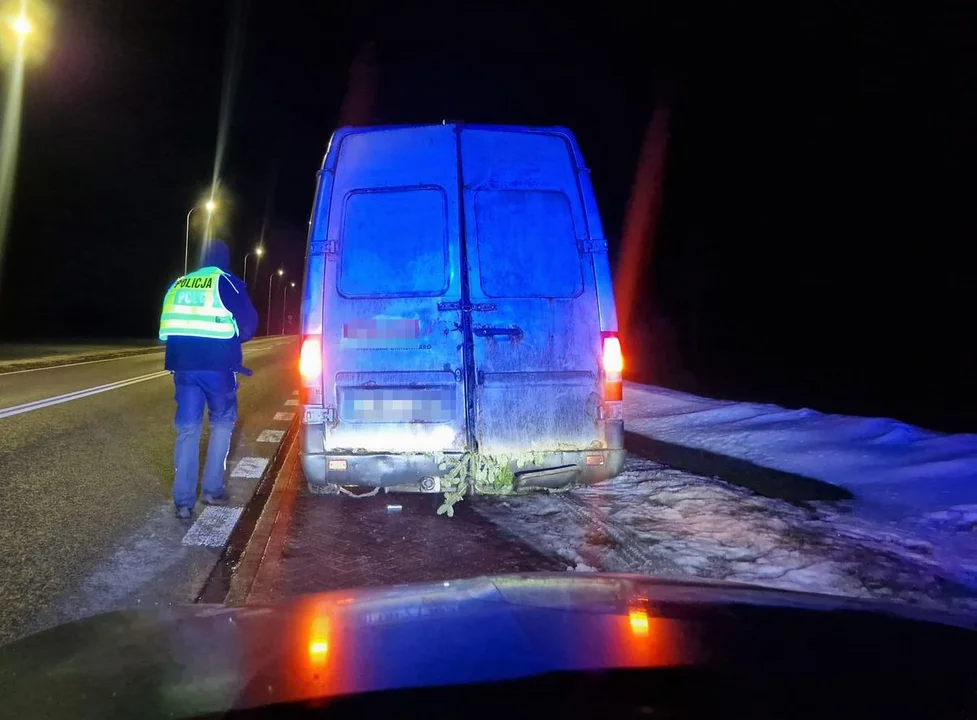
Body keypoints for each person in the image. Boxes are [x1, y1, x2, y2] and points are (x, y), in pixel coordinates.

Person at [159, 239, 258, 519]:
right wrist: (231, 340)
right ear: (224, 260)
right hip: (217, 367)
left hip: (183, 368)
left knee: (188, 428)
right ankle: (212, 490)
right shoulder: (226, 283)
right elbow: (249, 325)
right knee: (223, 423)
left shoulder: (179, 284)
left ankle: (183, 501)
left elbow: (167, 327)